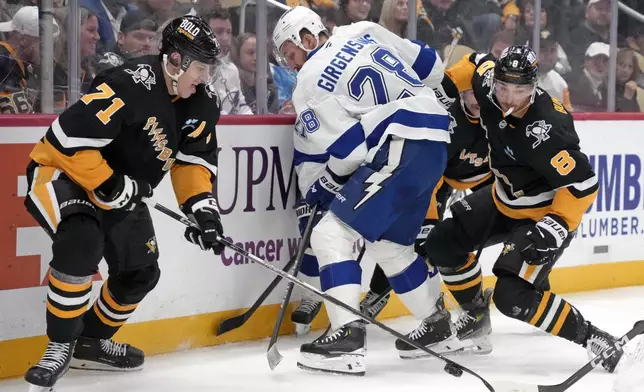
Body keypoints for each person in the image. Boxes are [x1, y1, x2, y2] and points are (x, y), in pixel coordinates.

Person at [23, 15, 225, 391]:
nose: (204, 77)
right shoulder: (128, 83)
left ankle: (90, 341)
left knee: (140, 273)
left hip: (118, 187)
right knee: (82, 240)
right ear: (175, 59)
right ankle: (60, 345)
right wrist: (110, 184)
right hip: (61, 173)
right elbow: (66, 140)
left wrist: (202, 209)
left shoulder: (201, 102)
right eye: (200, 67)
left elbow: (192, 161)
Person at [273, 6, 453, 375]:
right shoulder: (362, 29)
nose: (291, 65)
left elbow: (350, 150)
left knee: (328, 232)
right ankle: (436, 323)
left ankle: (346, 338)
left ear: (307, 39)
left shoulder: (309, 83)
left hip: (398, 146)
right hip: (435, 142)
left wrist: (325, 184)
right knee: (389, 245)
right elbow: (432, 66)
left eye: (290, 55)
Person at [424, 45, 624, 373]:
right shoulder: (489, 89)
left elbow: (584, 184)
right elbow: (474, 62)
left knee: (512, 296)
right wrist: (446, 88)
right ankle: (475, 317)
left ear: (533, 87)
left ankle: (593, 337)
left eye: (519, 90)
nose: (508, 98)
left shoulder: (547, 128)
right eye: (503, 87)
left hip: (540, 216)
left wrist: (556, 225)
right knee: (442, 243)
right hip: (503, 199)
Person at [361, 53, 496, 356]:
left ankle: (473, 321)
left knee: (447, 244)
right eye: (472, 92)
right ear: (463, 88)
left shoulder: (501, 118)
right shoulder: (447, 118)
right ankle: (383, 292)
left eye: (484, 95)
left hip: (480, 180)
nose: (478, 100)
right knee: (417, 239)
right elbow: (430, 179)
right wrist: (428, 221)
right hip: (436, 174)